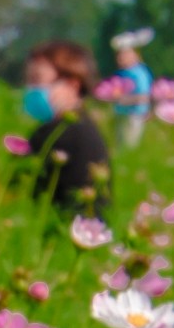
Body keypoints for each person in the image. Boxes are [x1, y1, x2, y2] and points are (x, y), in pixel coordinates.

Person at [14, 39, 115, 225]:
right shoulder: (87, 128)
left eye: (37, 80)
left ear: (72, 84)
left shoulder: (61, 134)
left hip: (62, 228)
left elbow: (14, 190)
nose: (31, 89)